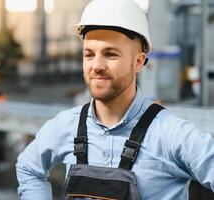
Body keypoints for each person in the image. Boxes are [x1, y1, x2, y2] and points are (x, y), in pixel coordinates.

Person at [16, 0, 214, 199]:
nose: (97, 65)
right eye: (89, 54)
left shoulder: (171, 136)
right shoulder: (65, 125)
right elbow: (28, 168)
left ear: (138, 62)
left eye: (110, 54)